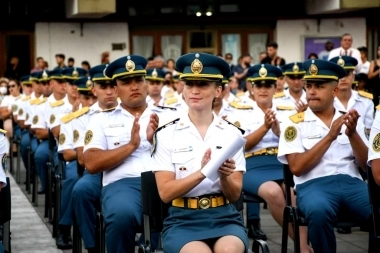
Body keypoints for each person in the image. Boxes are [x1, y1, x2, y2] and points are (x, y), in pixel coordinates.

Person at [152, 53, 249, 253]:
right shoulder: (166, 134)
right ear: (183, 90)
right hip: (182, 218)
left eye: (203, 84)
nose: (195, 90)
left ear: (218, 90)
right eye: (189, 84)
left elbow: (234, 194)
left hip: (224, 216)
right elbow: (165, 193)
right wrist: (203, 172)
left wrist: (224, 177)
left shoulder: (232, 134)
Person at [277, 59, 371, 253]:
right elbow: (296, 167)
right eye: (308, 86)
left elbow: (364, 166)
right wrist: (330, 136)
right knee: (319, 211)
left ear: (334, 91)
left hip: (351, 183)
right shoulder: (294, 123)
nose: (311, 91)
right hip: (314, 185)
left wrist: (353, 135)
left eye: (319, 86)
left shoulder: (351, 118)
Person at [83, 55, 160, 253]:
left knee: (186, 213)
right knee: (120, 216)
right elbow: (90, 163)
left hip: (164, 180)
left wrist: (156, 141)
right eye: (126, 82)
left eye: (138, 80)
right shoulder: (101, 120)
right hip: (123, 184)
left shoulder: (170, 114)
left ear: (146, 84)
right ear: (116, 90)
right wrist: (130, 146)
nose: (134, 86)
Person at [330, 56, 374, 133]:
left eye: (346, 74)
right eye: (339, 75)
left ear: (353, 77)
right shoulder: (326, 101)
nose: (343, 79)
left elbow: (369, 131)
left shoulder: (366, 101)